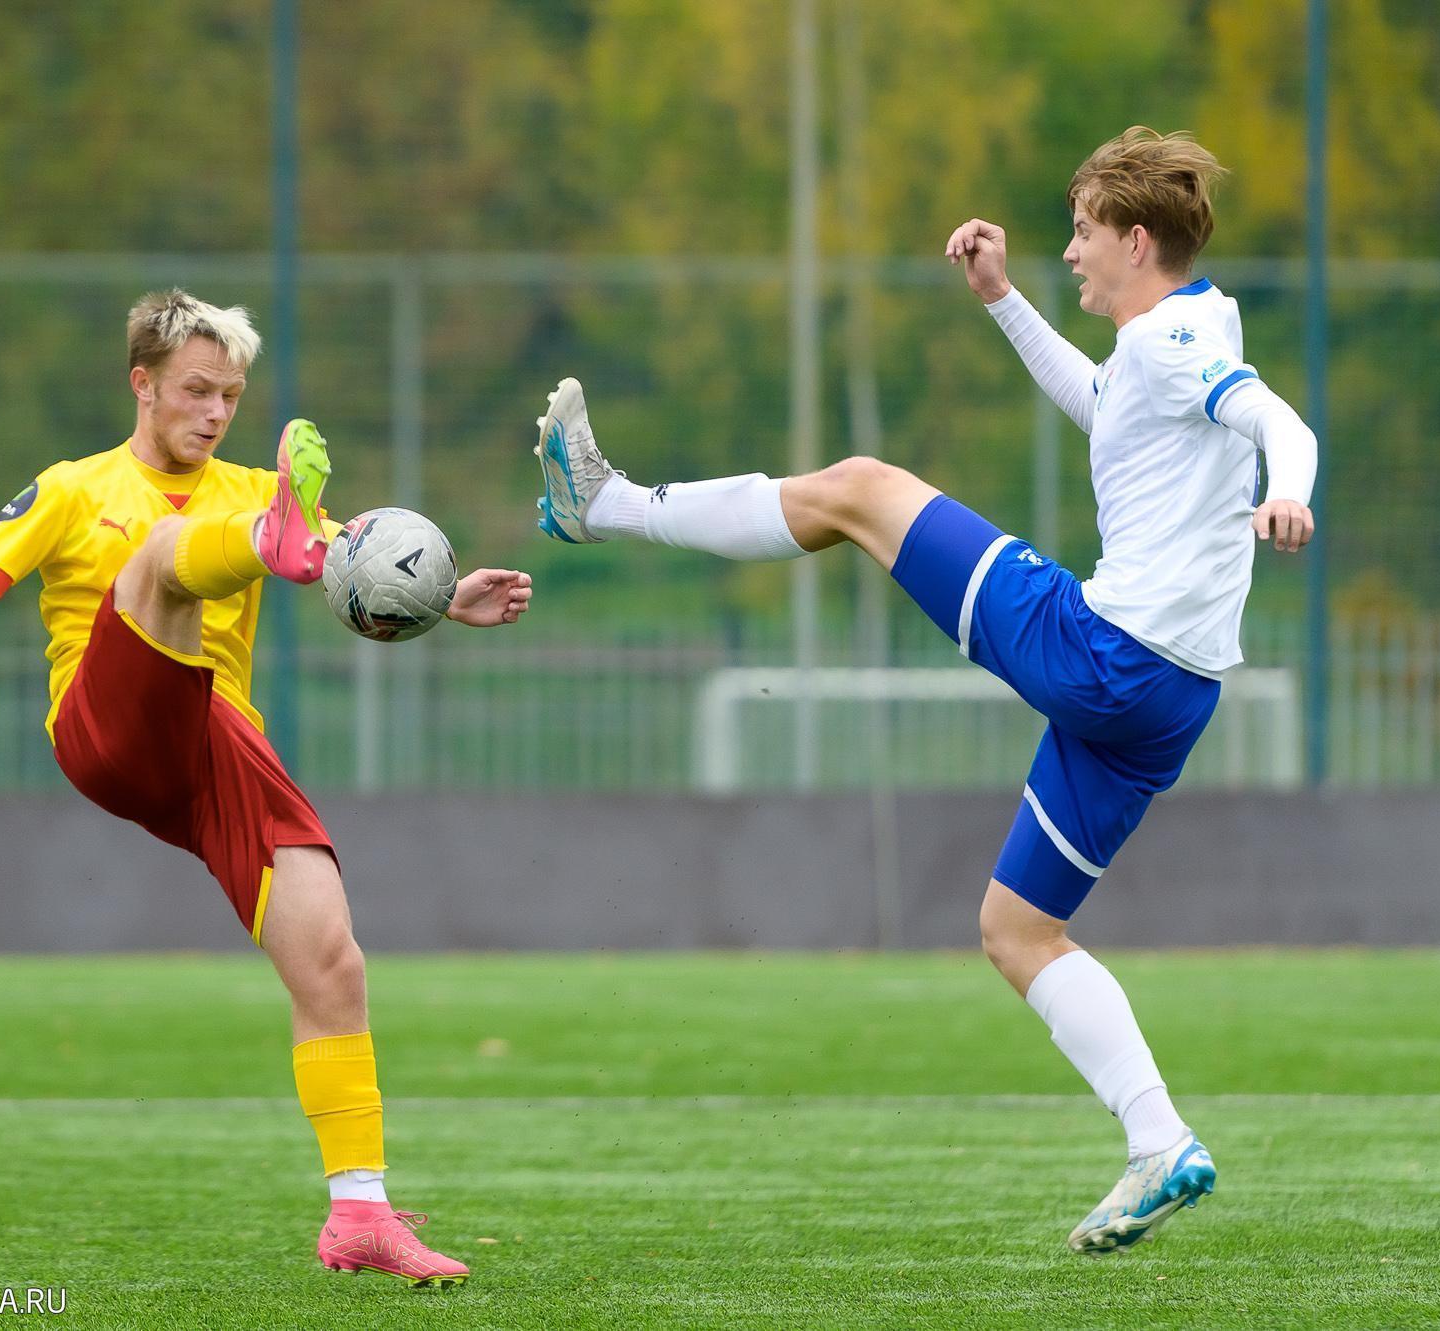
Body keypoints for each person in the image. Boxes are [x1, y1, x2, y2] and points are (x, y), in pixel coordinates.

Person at [530, 127, 1317, 1253]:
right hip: (1172, 696)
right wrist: (1002, 300)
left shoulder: (1178, 339)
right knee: (1016, 927)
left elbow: (1278, 420)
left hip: (1105, 653)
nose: (1070, 251)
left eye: (1083, 232)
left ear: (1136, 240)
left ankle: (605, 504)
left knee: (859, 488)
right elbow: (1106, 402)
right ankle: (1159, 1140)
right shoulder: (1177, 334)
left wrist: (1289, 489)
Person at [0, 289, 533, 1286]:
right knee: (159, 558)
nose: (216, 410)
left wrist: (443, 599)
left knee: (331, 957)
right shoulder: (72, 488)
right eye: (196, 389)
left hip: (215, 743)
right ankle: (258, 548)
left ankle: (359, 1210)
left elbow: (360, 568)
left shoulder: (249, 487)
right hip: (105, 727)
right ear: (141, 384)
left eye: (230, 394)